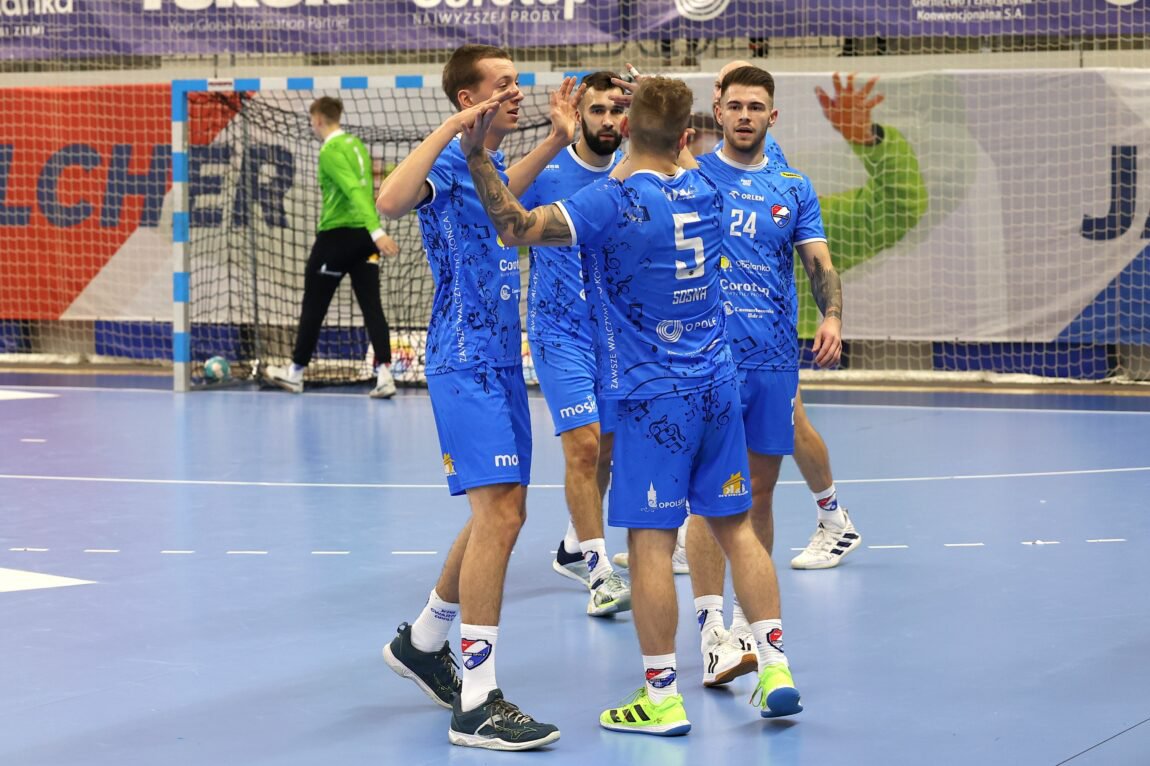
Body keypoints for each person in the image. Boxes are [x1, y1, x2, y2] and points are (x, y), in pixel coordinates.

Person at [462, 75, 805, 733]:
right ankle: (776, 668)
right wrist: (661, 107)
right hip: (718, 387)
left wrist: (479, 156)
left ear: (624, 129)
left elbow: (513, 226)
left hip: (653, 399)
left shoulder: (610, 202)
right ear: (686, 136)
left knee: (650, 544)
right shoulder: (708, 187)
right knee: (737, 529)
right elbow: (684, 153)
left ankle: (662, 697)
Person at [375, 44, 582, 751]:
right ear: (470, 97)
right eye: (503, 85)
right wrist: (451, 127)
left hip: (500, 361)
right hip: (463, 361)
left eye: (517, 82)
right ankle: (478, 701)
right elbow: (388, 201)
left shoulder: (482, 168)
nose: (516, 92)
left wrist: (556, 137)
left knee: (504, 512)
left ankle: (423, 640)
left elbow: (507, 203)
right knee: (500, 514)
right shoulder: (442, 165)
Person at [682, 64, 846, 689]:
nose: (746, 115)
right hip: (708, 359)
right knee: (709, 496)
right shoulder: (694, 176)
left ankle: (749, 628)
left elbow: (818, 262)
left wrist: (832, 315)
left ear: (772, 117)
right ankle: (711, 635)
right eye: (736, 106)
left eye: (757, 107)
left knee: (761, 493)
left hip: (774, 362)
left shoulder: (793, 186)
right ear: (719, 112)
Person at [519, 71, 632, 617]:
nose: (607, 120)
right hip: (557, 331)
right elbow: (496, 210)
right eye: (597, 110)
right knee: (583, 449)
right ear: (579, 114)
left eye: (617, 110)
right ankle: (600, 572)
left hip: (616, 335)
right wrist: (550, 140)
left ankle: (572, 546)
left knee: (606, 449)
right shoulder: (549, 172)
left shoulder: (634, 173)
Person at [264, 97, 400, 398]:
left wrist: (378, 231)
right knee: (372, 306)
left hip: (337, 237)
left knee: (314, 305)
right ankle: (385, 376)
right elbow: (366, 188)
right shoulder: (357, 145)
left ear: (317, 120)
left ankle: (296, 373)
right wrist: (372, 231)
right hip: (364, 239)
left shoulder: (330, 150)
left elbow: (353, 189)